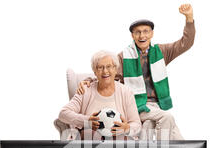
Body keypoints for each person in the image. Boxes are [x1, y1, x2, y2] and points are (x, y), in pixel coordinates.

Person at [78, 4, 195, 140]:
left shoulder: (161, 52)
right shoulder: (123, 57)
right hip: (137, 105)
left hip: (158, 106)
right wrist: (88, 80)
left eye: (146, 31)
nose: (142, 35)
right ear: (132, 35)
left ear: (152, 33)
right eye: (137, 32)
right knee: (167, 118)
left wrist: (189, 19)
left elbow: (185, 43)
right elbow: (106, 71)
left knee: (179, 141)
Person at [58, 51, 142, 140]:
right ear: (94, 71)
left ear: (115, 69)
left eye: (109, 66)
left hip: (118, 141)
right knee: (90, 134)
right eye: (100, 67)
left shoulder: (126, 92)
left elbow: (136, 124)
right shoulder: (85, 90)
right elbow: (63, 114)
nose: (105, 71)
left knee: (121, 138)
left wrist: (126, 128)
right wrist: (87, 121)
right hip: (91, 141)